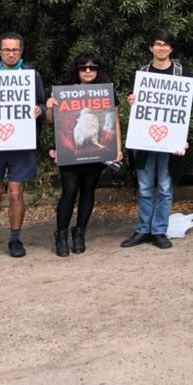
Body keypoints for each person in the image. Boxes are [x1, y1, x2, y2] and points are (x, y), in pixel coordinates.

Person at [0, 32, 45, 262]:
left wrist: (39, 110)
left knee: (16, 192)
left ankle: (15, 239)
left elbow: (42, 102)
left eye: (15, 50)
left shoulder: (31, 75)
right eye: (7, 50)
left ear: (21, 51)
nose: (11, 53)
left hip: (21, 142)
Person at [46, 52, 123, 256]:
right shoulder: (65, 92)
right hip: (71, 153)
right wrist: (49, 107)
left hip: (95, 155)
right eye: (83, 67)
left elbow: (114, 121)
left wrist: (118, 148)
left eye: (93, 67)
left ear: (98, 70)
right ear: (77, 70)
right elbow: (52, 121)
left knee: (88, 190)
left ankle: (79, 233)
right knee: (69, 191)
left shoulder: (106, 93)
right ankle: (61, 234)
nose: (88, 71)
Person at [121, 30, 189, 250]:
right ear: (151, 47)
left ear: (171, 48)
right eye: (157, 44)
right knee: (144, 186)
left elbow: (185, 110)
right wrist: (132, 102)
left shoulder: (181, 73)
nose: (161, 48)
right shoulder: (142, 72)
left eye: (166, 44)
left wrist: (183, 138)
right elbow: (139, 108)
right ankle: (143, 230)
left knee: (166, 187)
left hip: (170, 140)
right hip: (145, 138)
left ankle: (159, 230)